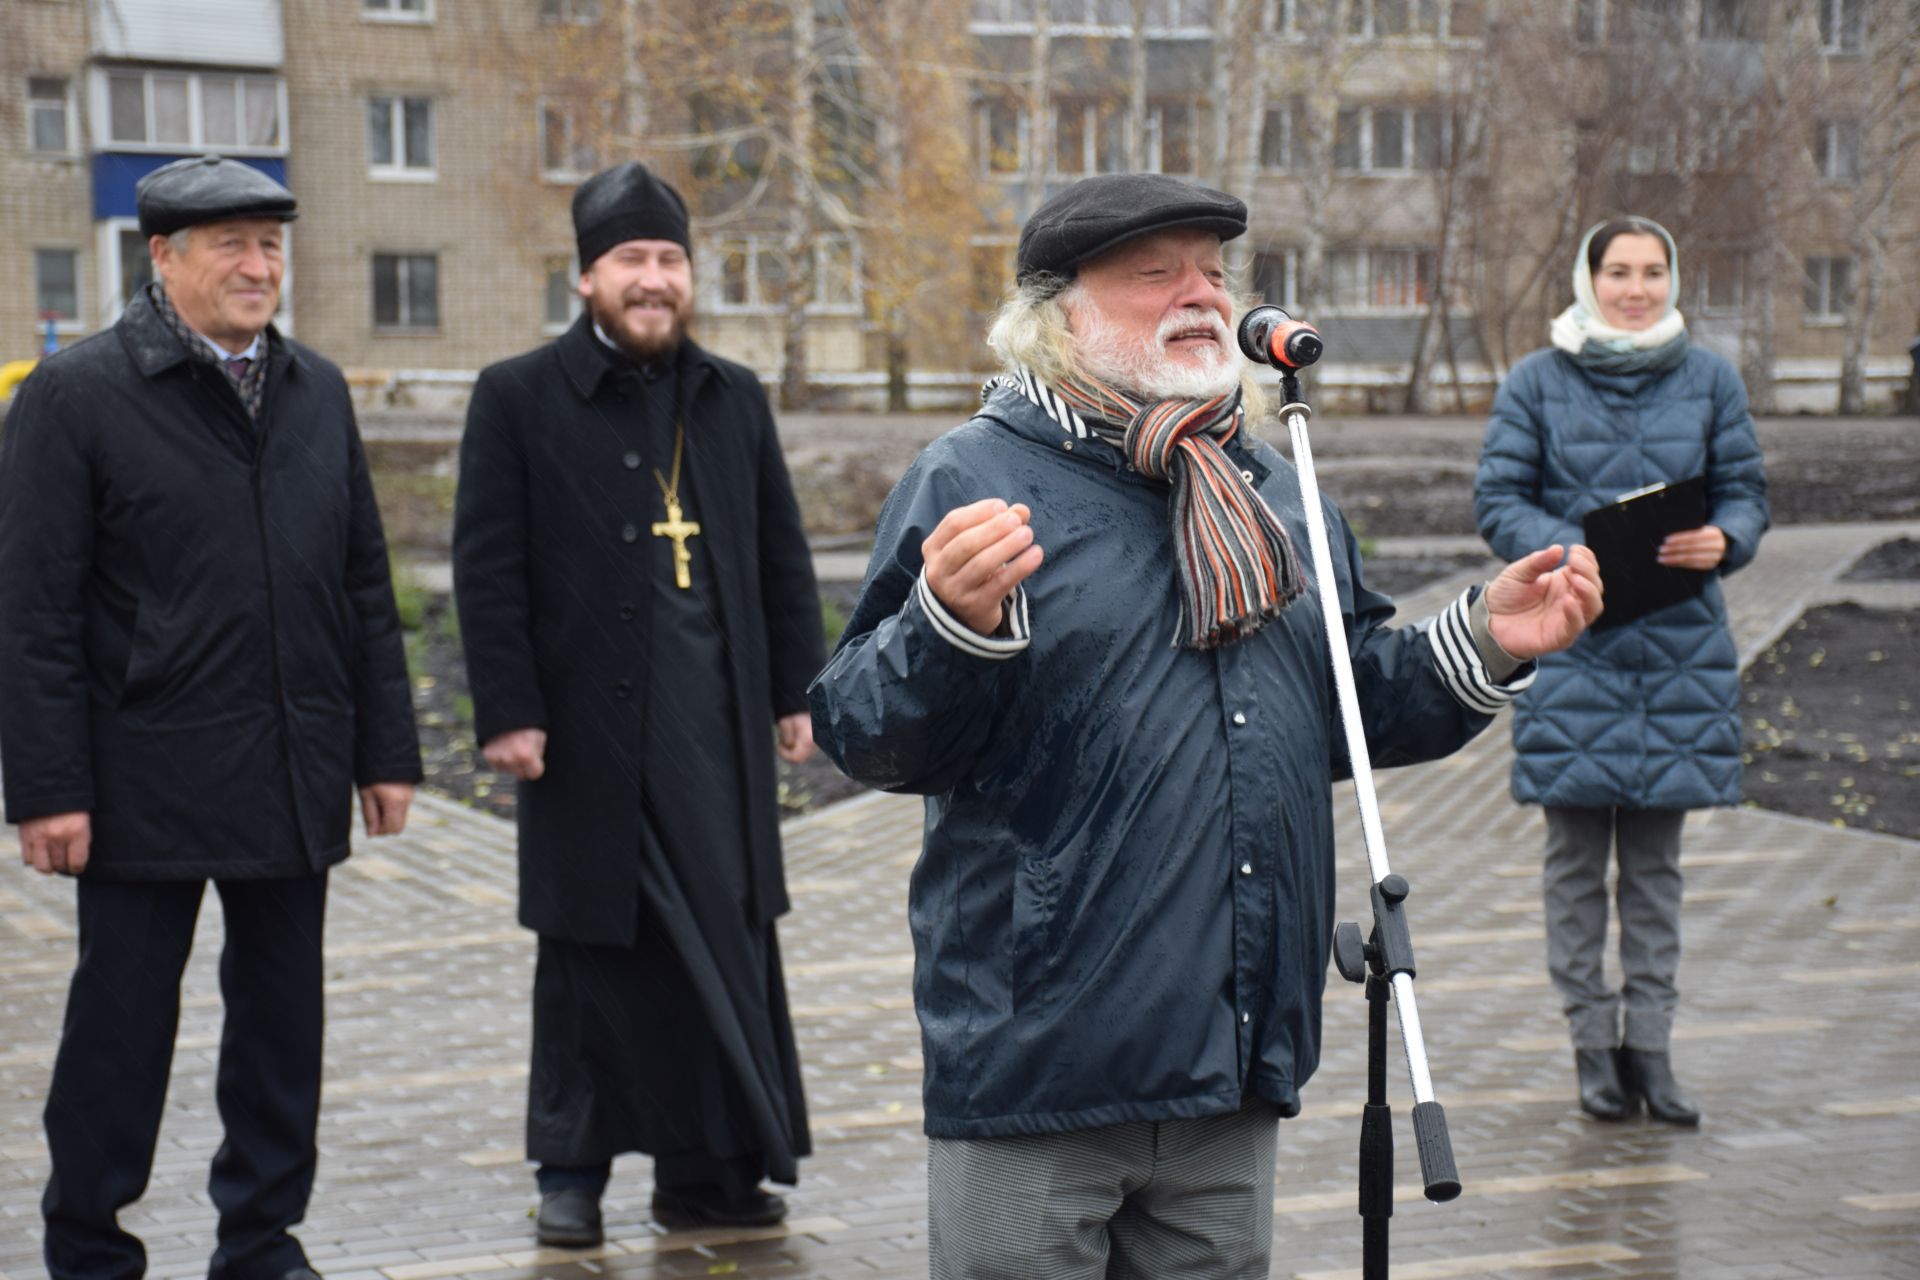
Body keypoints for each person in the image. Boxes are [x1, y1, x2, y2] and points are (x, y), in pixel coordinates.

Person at [808, 173, 1605, 1278]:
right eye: (1156, 273)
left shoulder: (1275, 489)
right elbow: (863, 730)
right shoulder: (975, 476)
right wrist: (944, 624)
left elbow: (1350, 704)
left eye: (1215, 273)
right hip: (1039, 1058)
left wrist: (1488, 636)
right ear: (1059, 311)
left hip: (1231, 1054)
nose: (1201, 296)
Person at [0, 155, 422, 1280]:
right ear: (164, 257)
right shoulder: (73, 396)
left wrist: (385, 748)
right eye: (231, 243)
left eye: (271, 243)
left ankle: (261, 1239)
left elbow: (362, 582)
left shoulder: (315, 389)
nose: (258, 265)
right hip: (143, 771)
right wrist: (46, 785)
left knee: (282, 1028)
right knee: (119, 1031)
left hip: (291, 760)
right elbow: (32, 608)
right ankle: (89, 1246)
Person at [452, 161, 824, 1246]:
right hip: (585, 738)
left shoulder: (731, 396)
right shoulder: (517, 396)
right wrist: (507, 710)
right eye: (631, 260)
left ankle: (705, 1170)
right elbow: (487, 566)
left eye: (668, 259)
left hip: (715, 730)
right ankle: (570, 1170)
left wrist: (797, 688)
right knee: (590, 952)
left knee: (722, 938)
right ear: (587, 278)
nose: (652, 279)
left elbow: (781, 557)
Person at [1473, 216, 1770, 1126]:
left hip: (1680, 654)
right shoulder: (1537, 380)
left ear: (1671, 280)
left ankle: (1654, 1051)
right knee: (1573, 867)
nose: (1635, 289)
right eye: (1618, 272)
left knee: (1655, 872)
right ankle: (1593, 1052)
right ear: (1587, 278)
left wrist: (1730, 538)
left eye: (1651, 272)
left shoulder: (1712, 378)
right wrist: (1571, 549)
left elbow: (1746, 493)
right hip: (1575, 646)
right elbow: (1497, 498)